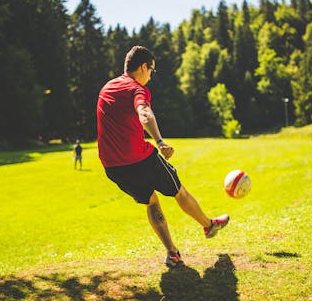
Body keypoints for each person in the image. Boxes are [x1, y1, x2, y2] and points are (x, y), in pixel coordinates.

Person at [96, 45, 229, 268]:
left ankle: (172, 253)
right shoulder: (137, 88)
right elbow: (144, 112)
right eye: (151, 71)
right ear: (143, 67)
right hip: (140, 159)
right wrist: (159, 141)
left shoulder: (107, 87)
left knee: (151, 200)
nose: (150, 76)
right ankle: (208, 225)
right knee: (178, 190)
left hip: (113, 167)